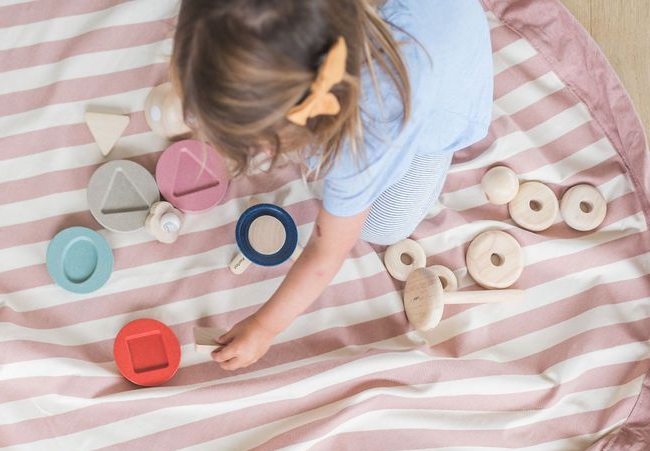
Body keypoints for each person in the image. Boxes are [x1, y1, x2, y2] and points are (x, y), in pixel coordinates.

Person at [170, 0, 494, 370]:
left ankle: (431, 158)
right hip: (442, 23)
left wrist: (265, 326)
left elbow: (327, 253)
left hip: (447, 98)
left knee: (382, 225)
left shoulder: (362, 139)